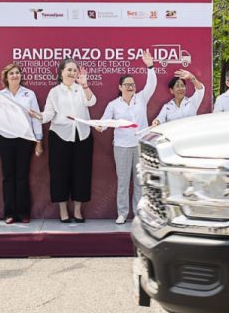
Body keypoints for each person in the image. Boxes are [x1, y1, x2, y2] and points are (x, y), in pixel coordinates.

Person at [98, 51, 156, 224]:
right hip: (121, 147)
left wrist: (150, 67)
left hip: (140, 145)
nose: (130, 86)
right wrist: (100, 126)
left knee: (139, 182)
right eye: (127, 84)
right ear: (120, 87)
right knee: (123, 182)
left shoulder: (142, 99)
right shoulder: (113, 105)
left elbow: (151, 84)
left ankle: (139, 214)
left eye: (132, 84)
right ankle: (122, 213)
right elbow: (105, 121)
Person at [40, 58, 96, 223]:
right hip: (59, 136)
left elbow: (91, 101)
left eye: (74, 70)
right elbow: (49, 114)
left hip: (82, 135)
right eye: (69, 70)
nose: (72, 73)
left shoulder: (81, 89)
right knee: (59, 174)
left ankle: (78, 211)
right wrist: (39, 117)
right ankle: (63, 211)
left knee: (82, 173)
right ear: (61, 72)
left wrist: (85, 85)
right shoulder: (54, 92)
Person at [0, 64, 43, 224]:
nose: (15, 75)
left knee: (22, 176)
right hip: (5, 138)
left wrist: (39, 140)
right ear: (6, 77)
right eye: (11, 73)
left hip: (25, 139)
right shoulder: (0, 95)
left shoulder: (29, 94)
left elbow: (36, 118)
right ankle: (9, 213)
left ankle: (24, 213)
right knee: (8, 177)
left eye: (17, 73)